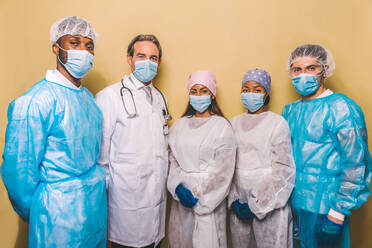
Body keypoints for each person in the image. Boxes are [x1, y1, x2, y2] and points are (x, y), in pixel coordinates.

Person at [1, 16, 107, 247]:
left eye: (89, 46)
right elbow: (19, 171)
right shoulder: (35, 102)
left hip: (94, 208)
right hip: (56, 215)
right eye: (74, 42)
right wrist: (39, 210)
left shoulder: (88, 99)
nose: (84, 51)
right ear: (55, 47)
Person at [282, 44, 372, 248]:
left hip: (327, 206)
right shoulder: (290, 111)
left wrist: (338, 212)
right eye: (297, 70)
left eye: (311, 68)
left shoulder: (342, 108)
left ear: (325, 70)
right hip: (294, 205)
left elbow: (356, 165)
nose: (303, 74)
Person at [96, 34, 170, 248]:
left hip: (157, 204)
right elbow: (101, 157)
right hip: (126, 205)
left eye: (153, 58)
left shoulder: (159, 98)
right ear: (129, 59)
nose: (148, 62)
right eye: (141, 56)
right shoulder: (109, 96)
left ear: (159, 62)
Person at [167, 70, 236, 248]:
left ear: (212, 94)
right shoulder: (180, 125)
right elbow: (171, 160)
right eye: (194, 91)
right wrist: (177, 187)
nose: (198, 96)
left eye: (204, 91)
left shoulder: (221, 126)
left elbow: (223, 172)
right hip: (181, 204)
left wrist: (200, 196)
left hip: (209, 204)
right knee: (181, 240)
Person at [228, 69, 296, 248]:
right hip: (239, 202)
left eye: (257, 90)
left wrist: (258, 205)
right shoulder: (233, 123)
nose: (251, 94)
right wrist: (232, 200)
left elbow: (283, 171)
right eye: (246, 89)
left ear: (266, 94)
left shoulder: (277, 123)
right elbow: (227, 166)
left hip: (270, 205)